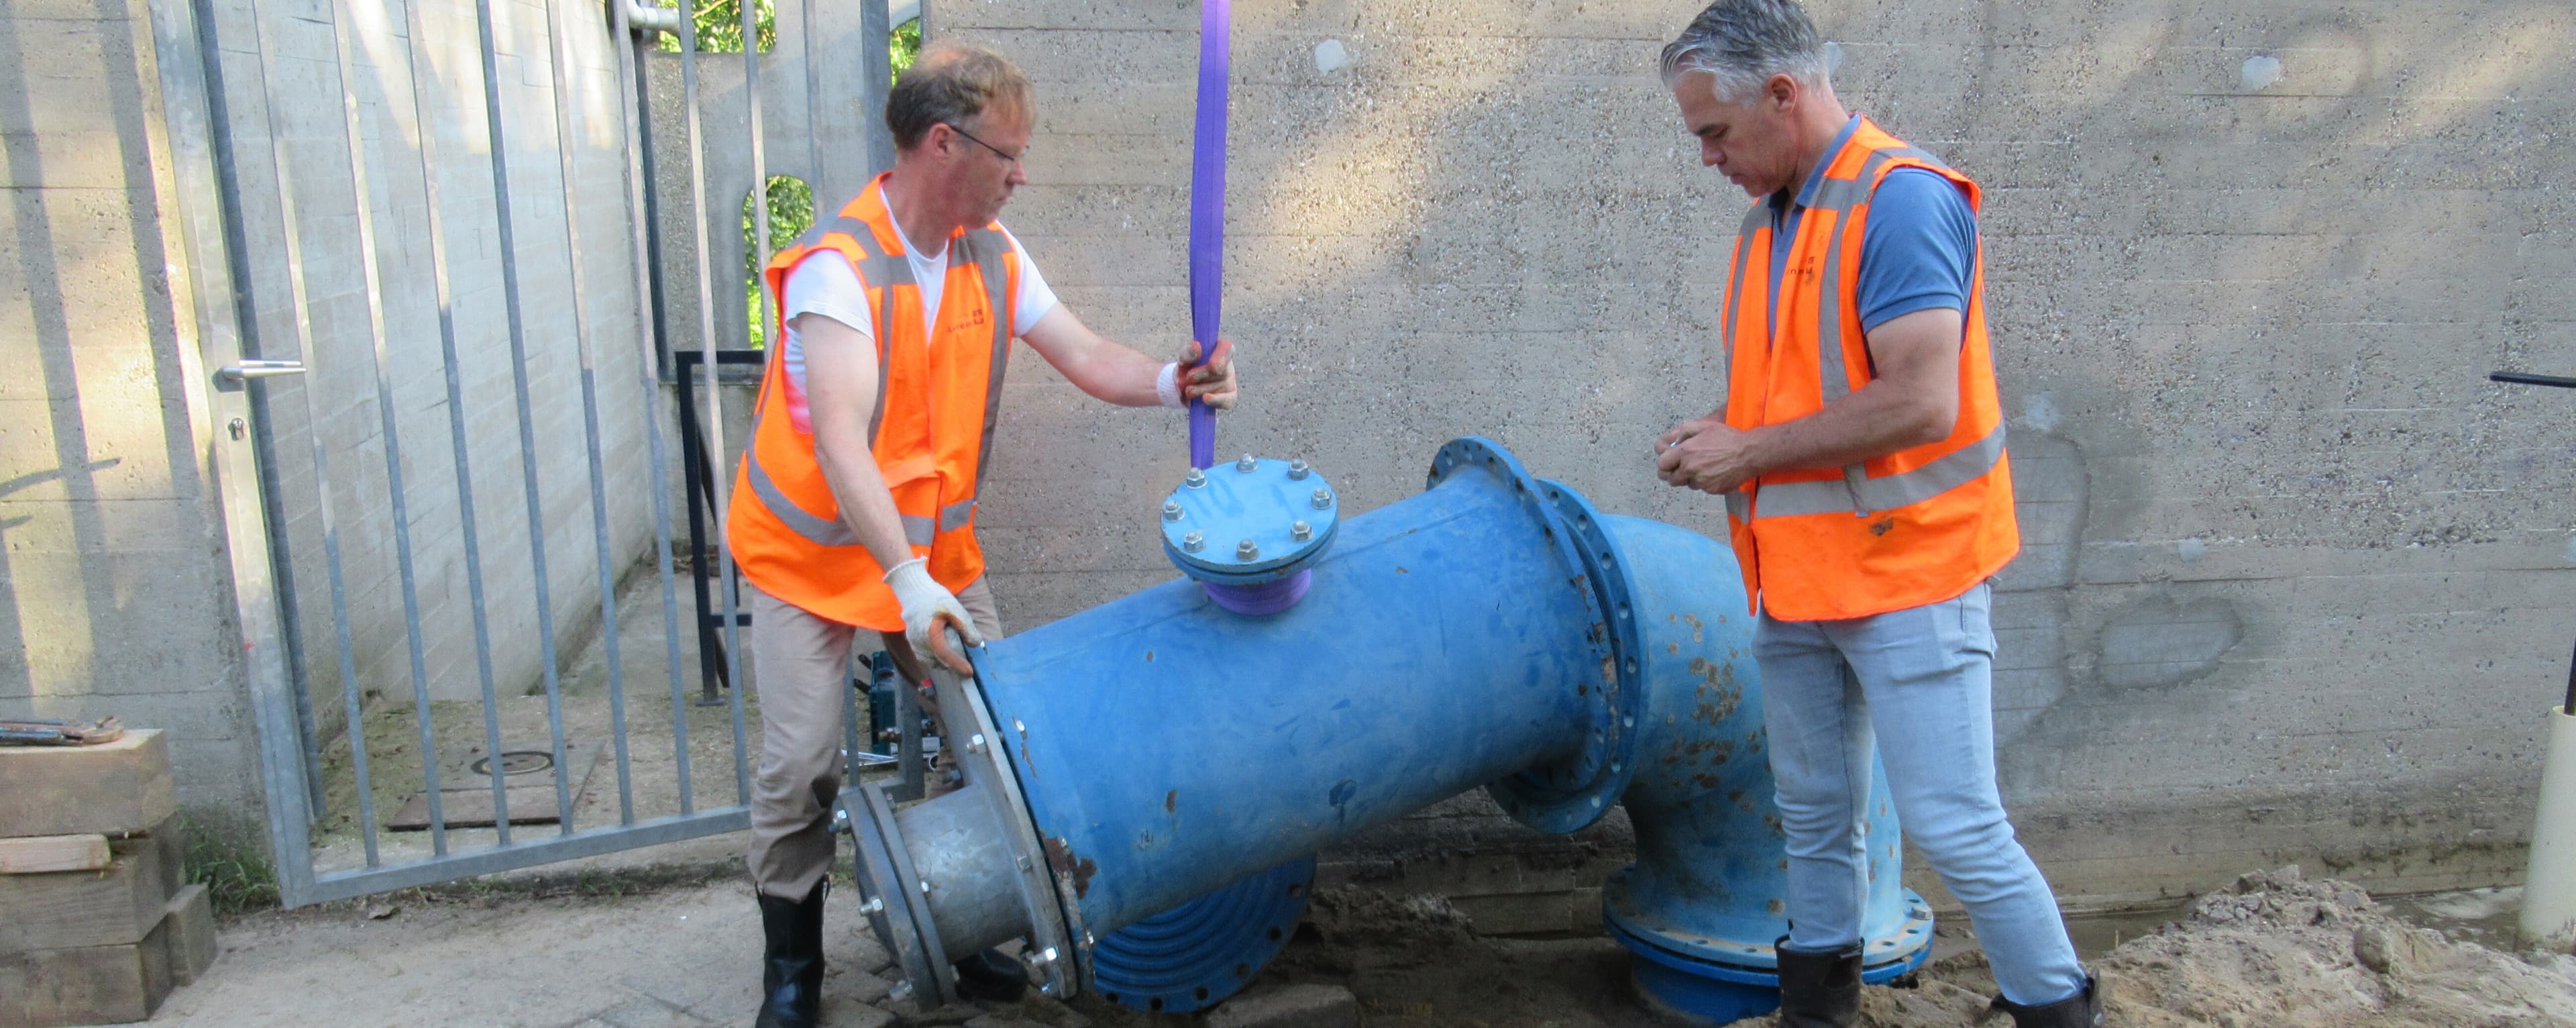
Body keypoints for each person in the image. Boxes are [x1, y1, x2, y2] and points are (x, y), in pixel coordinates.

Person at [724, 44, 1238, 1028]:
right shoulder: (839, 272)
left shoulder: (992, 254)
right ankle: (790, 972)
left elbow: (1085, 354)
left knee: (997, 746)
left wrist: (1175, 381)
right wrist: (908, 582)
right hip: (811, 560)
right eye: (1009, 154)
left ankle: (966, 931)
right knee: (801, 768)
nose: (1022, 174)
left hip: (931, 559)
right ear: (942, 144)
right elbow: (840, 446)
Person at [1650, 3, 2099, 1026]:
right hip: (1798, 577)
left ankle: (2060, 1010)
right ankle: (1818, 1011)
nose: (1708, 158)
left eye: (1715, 133)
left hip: (1908, 575)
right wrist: (1722, 430)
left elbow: (1919, 400)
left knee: (1955, 823)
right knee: (1812, 820)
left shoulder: (1900, 202)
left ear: (1783, 94)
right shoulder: (1774, 223)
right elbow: (1814, 390)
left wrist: (1747, 451)